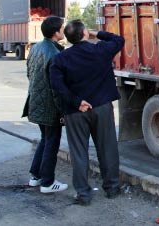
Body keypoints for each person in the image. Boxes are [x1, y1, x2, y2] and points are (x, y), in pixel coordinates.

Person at [49, 20, 124, 206]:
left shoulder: (60, 58)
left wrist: (76, 102)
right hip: (101, 108)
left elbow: (57, 86)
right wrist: (97, 34)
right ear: (85, 34)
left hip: (75, 111)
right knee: (107, 149)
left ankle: (83, 194)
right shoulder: (100, 51)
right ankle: (112, 188)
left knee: (79, 152)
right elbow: (118, 40)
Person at [24, 16, 68, 194]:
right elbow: (57, 88)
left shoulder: (35, 48)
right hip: (50, 107)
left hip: (36, 102)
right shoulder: (55, 55)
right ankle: (48, 182)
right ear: (56, 32)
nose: (64, 30)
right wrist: (63, 111)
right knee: (52, 143)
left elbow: (29, 73)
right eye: (62, 28)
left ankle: (36, 176)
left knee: (45, 140)